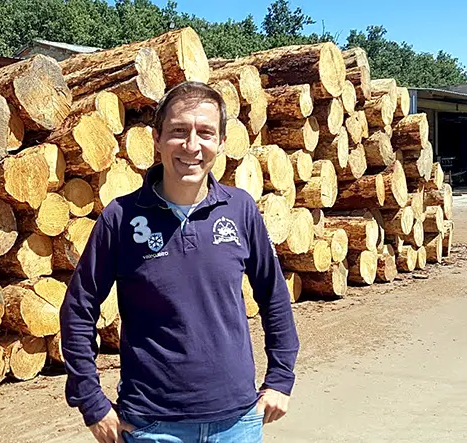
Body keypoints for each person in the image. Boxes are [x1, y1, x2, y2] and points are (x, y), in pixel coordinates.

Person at [60, 81, 300, 443]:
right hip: (153, 427)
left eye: (205, 133)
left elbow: (274, 297)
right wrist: (92, 402)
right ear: (156, 139)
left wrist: (281, 379)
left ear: (221, 142)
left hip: (238, 423)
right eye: (178, 131)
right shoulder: (121, 218)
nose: (192, 146)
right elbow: (79, 310)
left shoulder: (240, 210)